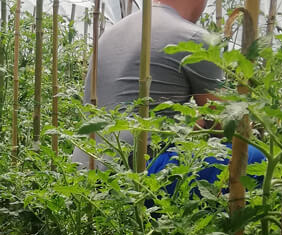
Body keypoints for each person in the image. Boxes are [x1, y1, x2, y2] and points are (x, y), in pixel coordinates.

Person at [71, 0, 222, 170]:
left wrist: (189, 122)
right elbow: (224, 125)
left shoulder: (110, 34)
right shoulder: (193, 37)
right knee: (250, 155)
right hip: (136, 166)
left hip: (85, 164)